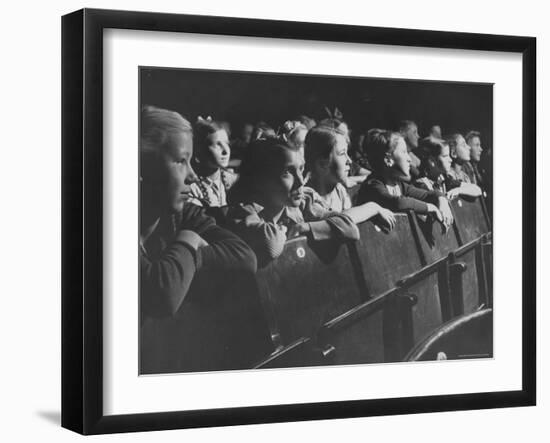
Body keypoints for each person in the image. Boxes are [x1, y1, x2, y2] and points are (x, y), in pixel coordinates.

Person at [139, 105, 257, 318]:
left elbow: (245, 257)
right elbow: (163, 294)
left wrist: (189, 254)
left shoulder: (182, 214)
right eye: (181, 161)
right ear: (141, 167)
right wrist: (189, 240)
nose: (192, 175)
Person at [227, 138, 359, 266]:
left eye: (301, 169)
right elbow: (272, 247)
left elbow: (350, 229)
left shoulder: (302, 204)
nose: (301, 181)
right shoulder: (244, 212)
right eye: (287, 172)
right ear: (262, 181)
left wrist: (304, 227)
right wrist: (285, 231)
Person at [303, 125, 395, 231]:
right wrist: (373, 207)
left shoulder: (339, 189)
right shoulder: (307, 198)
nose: (349, 161)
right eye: (342, 154)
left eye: (347, 153)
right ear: (322, 164)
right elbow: (339, 221)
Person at [357, 129, 453, 229]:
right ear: (388, 160)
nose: (409, 159)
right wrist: (430, 208)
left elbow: (429, 194)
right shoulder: (373, 184)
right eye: (404, 152)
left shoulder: (399, 185)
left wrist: (442, 200)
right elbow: (398, 203)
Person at [188, 117, 237, 207]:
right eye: (217, 145)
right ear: (200, 151)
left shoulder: (233, 181)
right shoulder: (192, 188)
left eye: (227, 143)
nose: (225, 151)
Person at [416, 136, 482, 199]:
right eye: (445, 156)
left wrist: (457, 190)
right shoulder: (422, 184)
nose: (450, 160)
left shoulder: (444, 180)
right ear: (432, 161)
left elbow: (477, 189)